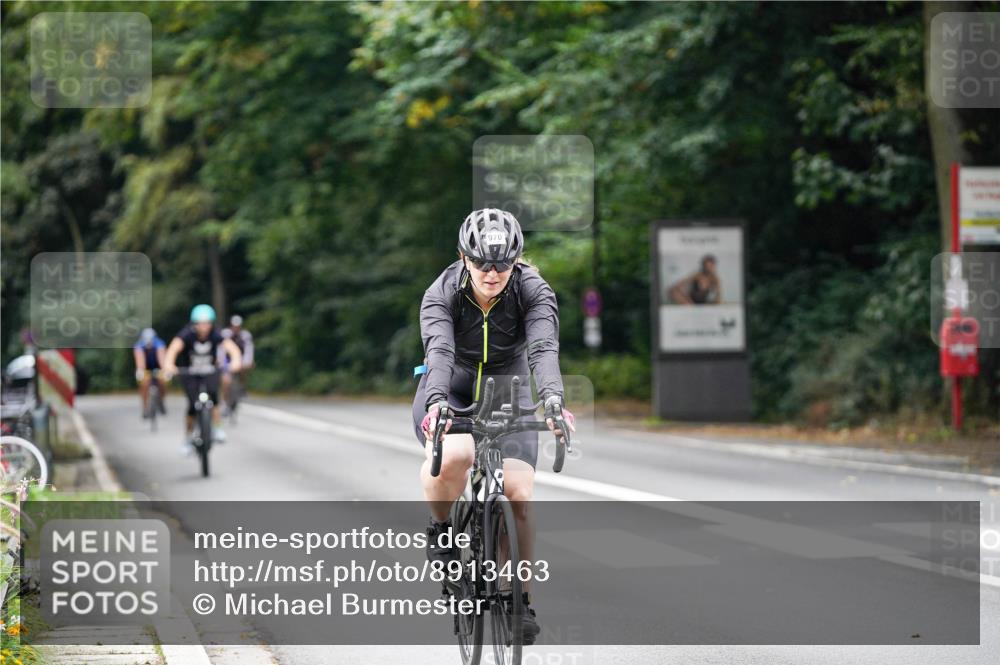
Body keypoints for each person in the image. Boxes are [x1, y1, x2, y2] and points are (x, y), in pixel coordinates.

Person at [412, 208, 575, 645]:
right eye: (482, 262)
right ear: (464, 257)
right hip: (453, 385)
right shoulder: (441, 293)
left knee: (519, 493)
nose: (492, 272)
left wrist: (554, 399)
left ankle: (519, 598)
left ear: (516, 260)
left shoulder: (533, 290)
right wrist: (437, 403)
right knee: (458, 455)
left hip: (509, 384)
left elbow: (543, 348)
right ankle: (441, 529)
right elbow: (440, 352)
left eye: (503, 263)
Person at [162, 305, 242, 453]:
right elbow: (173, 349)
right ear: (194, 323)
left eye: (207, 323)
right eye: (200, 323)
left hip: (209, 371)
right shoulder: (186, 334)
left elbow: (231, 348)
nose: (204, 327)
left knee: (213, 398)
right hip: (190, 373)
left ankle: (217, 428)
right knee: (192, 407)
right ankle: (187, 439)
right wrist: (169, 365)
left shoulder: (216, 334)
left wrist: (236, 361)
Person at [220, 314, 254, 413]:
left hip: (241, 359)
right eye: (234, 326)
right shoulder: (225, 334)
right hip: (227, 359)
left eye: (238, 326)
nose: (236, 328)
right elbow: (221, 349)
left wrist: (248, 362)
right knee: (226, 381)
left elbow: (249, 350)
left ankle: (243, 387)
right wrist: (220, 362)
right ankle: (225, 402)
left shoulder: (245, 335)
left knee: (244, 369)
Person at [133, 328, 167, 418]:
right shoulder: (139, 346)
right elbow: (140, 360)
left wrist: (164, 370)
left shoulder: (159, 344)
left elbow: (162, 359)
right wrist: (140, 370)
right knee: (144, 384)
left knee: (162, 381)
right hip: (146, 367)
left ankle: (161, 401)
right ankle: (145, 408)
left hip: (157, 366)